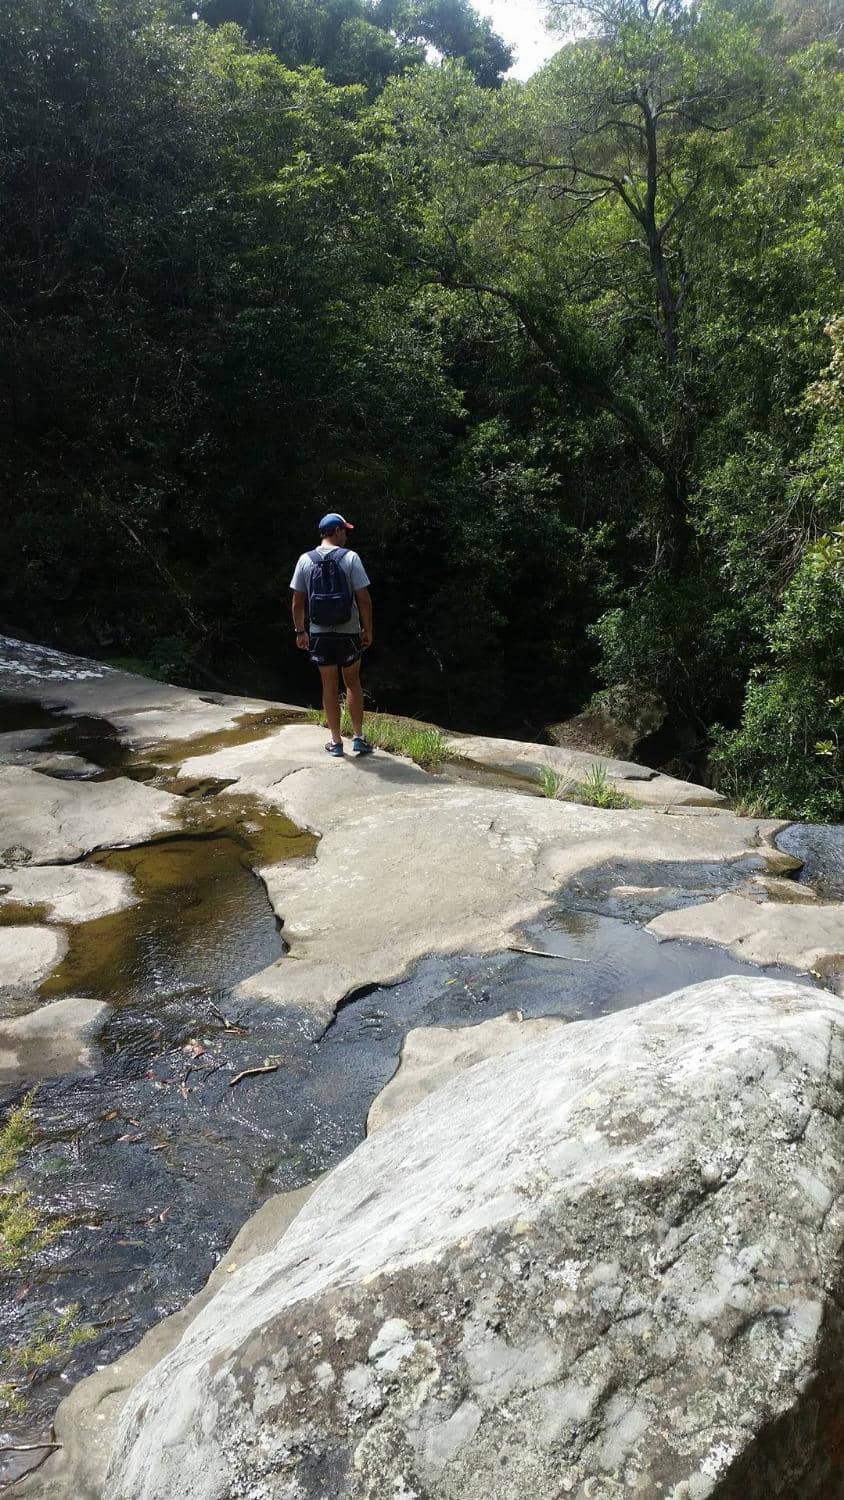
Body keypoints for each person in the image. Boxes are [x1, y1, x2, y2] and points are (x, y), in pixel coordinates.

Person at [290, 512, 374, 757]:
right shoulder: (351, 558)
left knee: (328, 686)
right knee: (352, 683)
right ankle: (358, 738)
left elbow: (297, 602)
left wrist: (300, 631)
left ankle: (336, 743)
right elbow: (364, 598)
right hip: (348, 632)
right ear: (336, 531)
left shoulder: (305, 560)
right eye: (344, 530)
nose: (346, 534)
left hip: (319, 634)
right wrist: (367, 629)